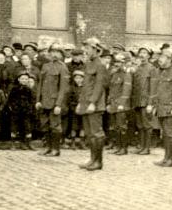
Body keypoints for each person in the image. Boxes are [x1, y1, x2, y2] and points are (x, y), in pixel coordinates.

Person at [76, 37, 108, 171]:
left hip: (94, 105)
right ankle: (92, 159)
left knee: (96, 133)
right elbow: (85, 87)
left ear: (96, 49)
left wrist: (93, 103)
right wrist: (80, 103)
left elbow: (99, 86)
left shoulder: (100, 64)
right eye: (85, 48)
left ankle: (98, 162)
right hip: (86, 104)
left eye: (88, 48)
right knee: (89, 134)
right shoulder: (88, 64)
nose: (85, 51)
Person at [35, 44, 70, 157]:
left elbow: (63, 88)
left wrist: (58, 104)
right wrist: (38, 100)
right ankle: (48, 147)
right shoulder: (45, 66)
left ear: (61, 54)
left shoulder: (63, 67)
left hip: (54, 102)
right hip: (44, 102)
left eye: (57, 52)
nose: (54, 54)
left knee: (55, 126)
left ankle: (56, 149)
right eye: (52, 51)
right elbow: (40, 84)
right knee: (45, 125)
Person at [152, 47, 172, 167]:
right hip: (161, 108)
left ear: (169, 59)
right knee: (165, 133)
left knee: (171, 133)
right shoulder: (160, 72)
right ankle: (166, 158)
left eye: (162, 57)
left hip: (171, 109)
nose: (159, 59)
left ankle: (171, 159)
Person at [106, 53, 132, 155]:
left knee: (122, 126)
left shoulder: (126, 74)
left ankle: (123, 148)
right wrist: (108, 103)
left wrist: (122, 103)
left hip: (121, 104)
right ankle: (118, 147)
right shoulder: (114, 74)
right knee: (115, 126)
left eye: (120, 63)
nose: (117, 65)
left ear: (124, 63)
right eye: (116, 62)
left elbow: (127, 90)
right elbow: (111, 90)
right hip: (113, 103)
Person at [131, 47, 156, 155]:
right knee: (140, 125)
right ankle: (141, 146)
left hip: (146, 101)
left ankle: (147, 147)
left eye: (145, 53)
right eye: (140, 53)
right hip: (137, 101)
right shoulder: (137, 68)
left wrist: (151, 103)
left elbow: (154, 87)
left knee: (147, 125)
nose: (142, 55)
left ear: (149, 56)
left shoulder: (152, 68)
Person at [7, 71, 36, 150]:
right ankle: (13, 144)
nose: (24, 80)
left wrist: (29, 108)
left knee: (26, 127)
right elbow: (10, 100)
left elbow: (31, 101)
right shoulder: (14, 89)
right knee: (14, 127)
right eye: (22, 79)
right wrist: (12, 108)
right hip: (16, 111)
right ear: (19, 79)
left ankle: (26, 143)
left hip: (26, 112)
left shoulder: (29, 90)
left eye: (26, 79)